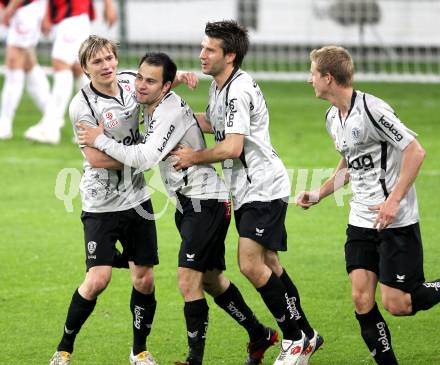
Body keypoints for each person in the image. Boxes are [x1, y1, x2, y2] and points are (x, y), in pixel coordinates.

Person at [77, 51, 280, 365]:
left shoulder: (167, 109)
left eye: (150, 81)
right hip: (188, 205)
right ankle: (259, 334)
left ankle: (193, 360)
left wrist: (99, 139)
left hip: (206, 203)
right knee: (212, 280)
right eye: (140, 78)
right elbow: (131, 84)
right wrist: (183, 74)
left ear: (165, 86)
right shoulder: (151, 99)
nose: (140, 86)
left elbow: (145, 158)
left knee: (188, 279)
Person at [171, 20, 322, 365]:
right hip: (248, 188)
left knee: (251, 264)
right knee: (270, 264)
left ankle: (294, 340)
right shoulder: (220, 85)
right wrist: (171, 113)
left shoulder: (238, 90)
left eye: (210, 49)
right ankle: (307, 334)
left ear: (231, 55)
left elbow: (232, 146)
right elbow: (212, 122)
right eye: (202, 47)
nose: (202, 55)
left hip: (262, 187)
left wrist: (192, 157)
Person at [49, 36, 197, 365]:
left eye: (109, 59)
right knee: (98, 279)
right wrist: (143, 156)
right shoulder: (82, 106)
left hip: (138, 198)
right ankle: (64, 347)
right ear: (85, 68)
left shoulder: (130, 81)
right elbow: (96, 158)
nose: (107, 66)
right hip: (101, 201)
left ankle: (139, 351)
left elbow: (154, 82)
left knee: (143, 278)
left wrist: (182, 74)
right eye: (97, 62)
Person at [296, 45, 440, 365]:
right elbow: (350, 163)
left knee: (397, 304)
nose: (310, 80)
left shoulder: (373, 110)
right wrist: (319, 194)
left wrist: (393, 201)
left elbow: (415, 152)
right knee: (362, 299)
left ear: (328, 78)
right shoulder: (332, 116)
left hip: (395, 219)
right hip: (361, 218)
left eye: (313, 73)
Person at [24, 0, 117, 145]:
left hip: (72, 15)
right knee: (78, 69)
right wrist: (48, 15)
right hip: (69, 16)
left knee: (61, 64)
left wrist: (108, 5)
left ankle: (51, 127)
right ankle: (97, 127)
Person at [0, 0, 50, 140]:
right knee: (28, 63)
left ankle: (4, 124)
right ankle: (52, 117)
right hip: (21, 8)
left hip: (24, 7)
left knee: (14, 60)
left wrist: (10, 8)